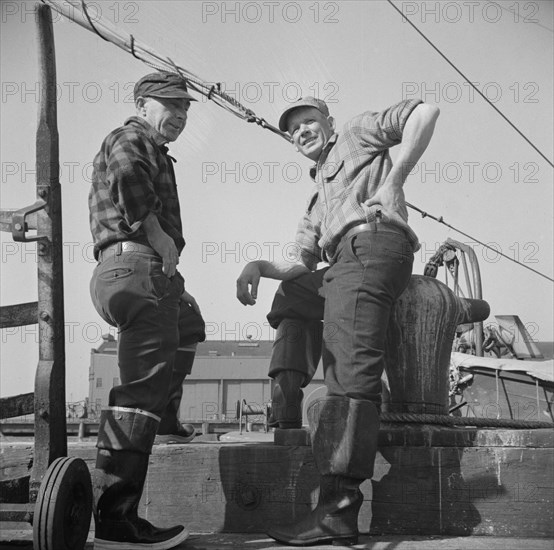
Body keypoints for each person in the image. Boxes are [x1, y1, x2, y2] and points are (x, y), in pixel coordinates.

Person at [236, 96, 439, 545]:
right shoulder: (316, 199)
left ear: (328, 123)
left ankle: (337, 511)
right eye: (294, 129)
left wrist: (394, 183)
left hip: (372, 245)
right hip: (339, 261)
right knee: (291, 293)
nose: (303, 131)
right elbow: (299, 265)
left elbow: (425, 112)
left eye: (310, 121)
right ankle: (285, 404)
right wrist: (259, 267)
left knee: (348, 372)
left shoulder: (355, 133)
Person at [89, 71, 206, 550]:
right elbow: (127, 175)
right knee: (138, 390)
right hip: (137, 265)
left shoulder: (154, 147)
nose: (179, 116)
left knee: (189, 321)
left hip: (133, 272)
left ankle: (169, 415)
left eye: (185, 109)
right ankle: (116, 521)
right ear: (142, 103)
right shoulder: (130, 137)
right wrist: (157, 236)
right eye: (170, 106)